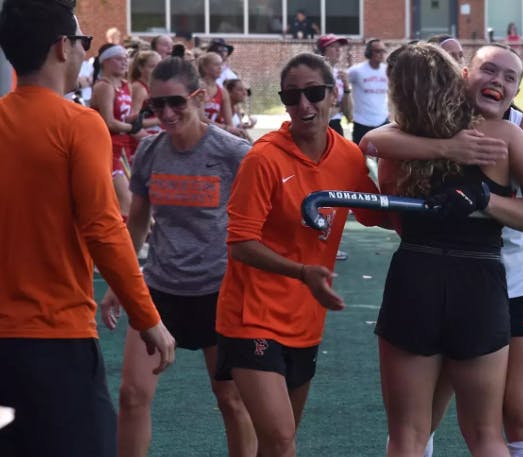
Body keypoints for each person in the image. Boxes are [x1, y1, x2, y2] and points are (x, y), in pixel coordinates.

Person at [362, 42, 523, 457]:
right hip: (478, 282)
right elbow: (374, 142)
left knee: (413, 432)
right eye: (489, 71)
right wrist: (448, 148)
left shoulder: (516, 130)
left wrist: (484, 196)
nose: (497, 82)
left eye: (508, 77)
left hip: (455, 278)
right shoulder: (424, 134)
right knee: (482, 433)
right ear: (461, 75)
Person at [0, 2, 176, 456]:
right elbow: (103, 229)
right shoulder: (80, 125)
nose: (83, 51)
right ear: (63, 48)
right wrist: (148, 318)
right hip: (55, 339)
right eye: (83, 42)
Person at [214, 53, 390, 457]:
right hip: (251, 315)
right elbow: (240, 242)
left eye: (314, 93)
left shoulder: (347, 156)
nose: (304, 106)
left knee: (278, 443)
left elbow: (375, 213)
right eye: (292, 97)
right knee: (280, 440)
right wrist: (302, 272)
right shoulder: (263, 158)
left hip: (305, 318)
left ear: (333, 94)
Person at [100, 56, 257, 457]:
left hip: (217, 293)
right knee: (132, 395)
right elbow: (136, 223)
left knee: (231, 400)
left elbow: (260, 224)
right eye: (156, 106)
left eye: (176, 103)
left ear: (200, 97)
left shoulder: (234, 153)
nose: (166, 114)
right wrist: (122, 281)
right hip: (159, 290)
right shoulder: (150, 152)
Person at [91, 42, 143, 218]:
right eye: (119, 59)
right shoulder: (104, 86)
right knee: (125, 203)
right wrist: (131, 127)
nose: (124, 62)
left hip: (124, 147)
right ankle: (125, 243)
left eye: (126, 58)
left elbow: (126, 117)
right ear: (105, 61)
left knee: (130, 201)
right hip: (109, 148)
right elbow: (108, 122)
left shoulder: (125, 85)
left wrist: (138, 122)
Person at [348, 38, 389, 144]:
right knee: (359, 157)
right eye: (377, 51)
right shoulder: (356, 71)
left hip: (382, 121)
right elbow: (342, 83)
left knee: (384, 157)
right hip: (362, 122)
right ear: (368, 53)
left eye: (383, 51)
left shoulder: (387, 71)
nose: (381, 54)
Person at [316, 34, 353, 136]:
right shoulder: (315, 74)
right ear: (322, 51)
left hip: (336, 126)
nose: (338, 50)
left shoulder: (340, 75)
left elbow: (349, 115)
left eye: (339, 47)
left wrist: (346, 88)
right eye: (333, 47)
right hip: (319, 127)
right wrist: (335, 107)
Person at [198, 52, 236, 133]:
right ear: (205, 68)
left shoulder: (222, 91)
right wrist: (225, 128)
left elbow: (230, 124)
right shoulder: (198, 87)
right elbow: (200, 118)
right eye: (216, 64)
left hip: (211, 133)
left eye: (221, 64)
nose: (220, 68)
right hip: (197, 132)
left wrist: (232, 130)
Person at [128, 50, 162, 140]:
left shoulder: (151, 86)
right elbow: (133, 122)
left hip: (154, 133)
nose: (157, 70)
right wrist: (160, 119)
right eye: (152, 66)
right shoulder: (139, 88)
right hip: (142, 138)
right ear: (141, 68)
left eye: (159, 66)